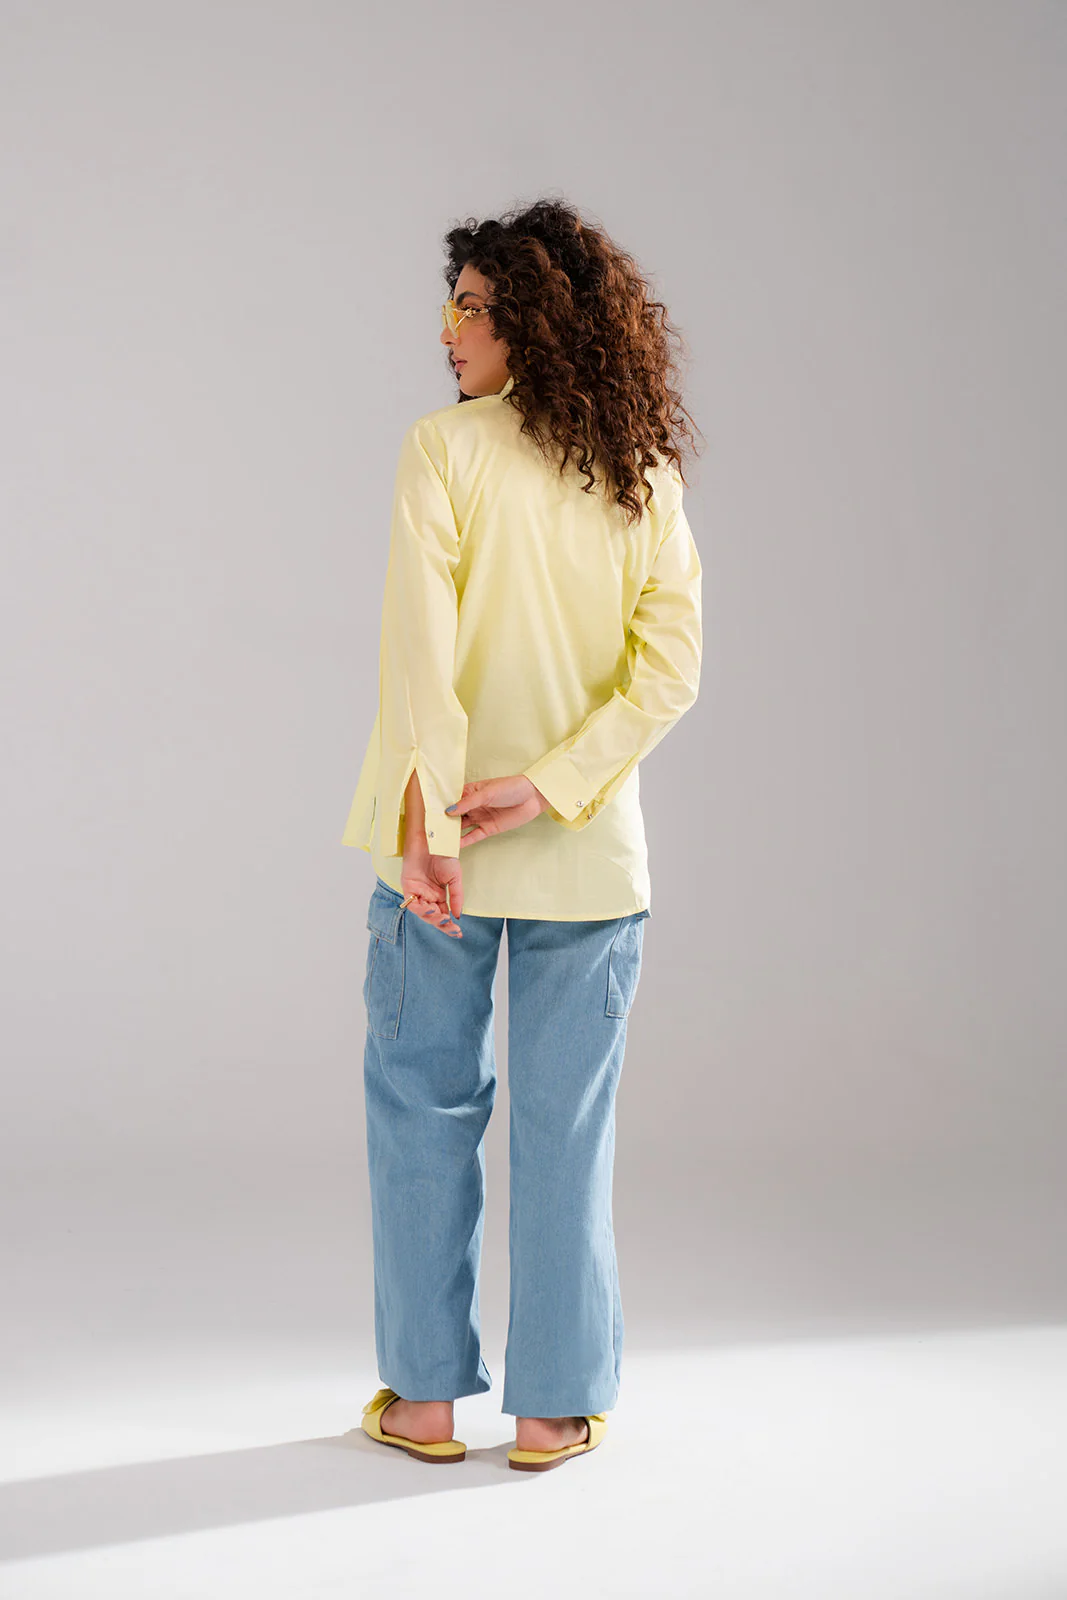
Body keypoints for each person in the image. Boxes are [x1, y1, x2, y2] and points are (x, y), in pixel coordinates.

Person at [344, 197, 703, 1471]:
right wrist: (553, 787)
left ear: (533, 325)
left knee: (420, 1115)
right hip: (589, 862)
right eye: (451, 306)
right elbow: (668, 671)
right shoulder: (640, 470)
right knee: (565, 1133)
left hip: (439, 851)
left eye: (471, 309)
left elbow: (419, 657)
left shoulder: (442, 452)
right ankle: (553, 1411)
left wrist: (435, 826)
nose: (446, 331)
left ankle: (424, 1402)